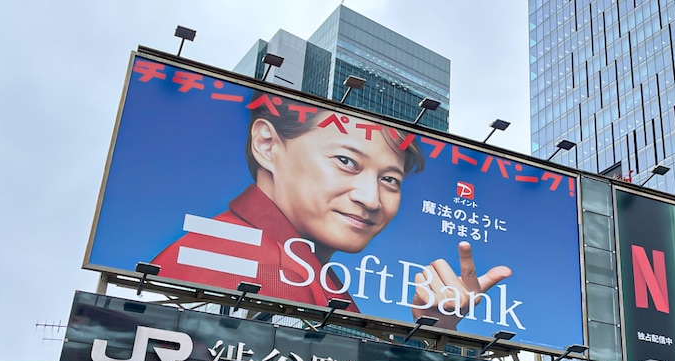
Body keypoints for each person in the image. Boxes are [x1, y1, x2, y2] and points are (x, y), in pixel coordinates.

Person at [152, 101, 510, 327]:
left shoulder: (303, 269)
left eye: (389, 179)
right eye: (345, 161)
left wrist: (434, 326)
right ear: (267, 144)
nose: (371, 199)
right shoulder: (250, 266)